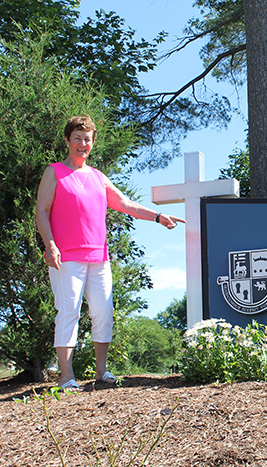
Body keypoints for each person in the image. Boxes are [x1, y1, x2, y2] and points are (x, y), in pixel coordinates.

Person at [36, 115, 185, 390]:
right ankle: (66, 376)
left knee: (104, 311)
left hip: (98, 257)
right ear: (68, 140)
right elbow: (42, 212)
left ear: (93, 143)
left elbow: (126, 204)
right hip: (66, 256)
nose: (83, 144)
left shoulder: (96, 176)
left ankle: (101, 371)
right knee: (68, 312)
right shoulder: (54, 171)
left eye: (88, 139)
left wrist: (158, 215)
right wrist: (50, 245)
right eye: (78, 138)